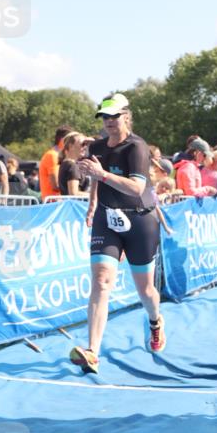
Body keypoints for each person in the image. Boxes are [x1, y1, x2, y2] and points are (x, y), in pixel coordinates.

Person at [70, 93, 165, 374]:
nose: (109, 122)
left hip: (139, 220)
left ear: (126, 116)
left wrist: (103, 174)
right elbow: (95, 179)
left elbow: (136, 188)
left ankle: (155, 321)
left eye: (114, 116)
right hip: (107, 220)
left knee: (145, 290)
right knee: (101, 281)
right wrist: (91, 204)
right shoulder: (97, 146)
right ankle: (92, 353)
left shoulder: (137, 147)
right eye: (105, 117)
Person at [39, 125, 72, 201]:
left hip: (57, 203)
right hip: (53, 204)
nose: (72, 143)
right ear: (63, 140)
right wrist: (74, 187)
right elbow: (56, 185)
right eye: (71, 140)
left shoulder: (57, 155)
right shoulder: (52, 155)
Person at [58, 132, 90, 197]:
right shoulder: (72, 166)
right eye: (83, 144)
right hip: (75, 205)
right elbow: (73, 193)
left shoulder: (66, 163)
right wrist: (94, 195)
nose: (85, 147)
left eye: (86, 144)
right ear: (71, 146)